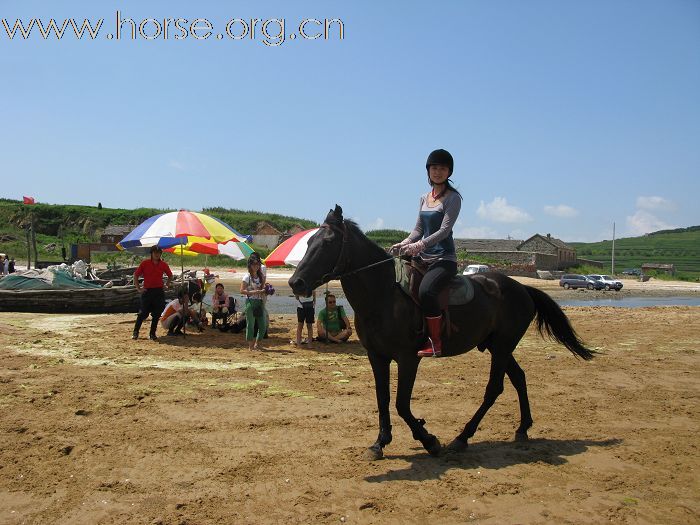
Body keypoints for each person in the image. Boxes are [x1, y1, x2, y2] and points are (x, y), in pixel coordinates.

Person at [390, 148, 462, 357]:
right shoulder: (424, 197)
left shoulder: (453, 198)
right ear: (428, 171)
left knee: (427, 291)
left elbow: (444, 230)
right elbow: (418, 229)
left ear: (449, 172)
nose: (437, 172)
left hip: (443, 259)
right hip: (422, 258)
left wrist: (420, 245)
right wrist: (405, 243)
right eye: (434, 168)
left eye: (442, 168)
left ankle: (436, 342)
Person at [132, 246, 173, 341]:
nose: (157, 254)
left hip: (158, 291)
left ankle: (152, 333)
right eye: (155, 252)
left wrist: (166, 284)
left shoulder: (163, 264)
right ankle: (135, 332)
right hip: (147, 291)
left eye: (159, 252)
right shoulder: (145, 263)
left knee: (157, 314)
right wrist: (138, 288)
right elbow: (136, 275)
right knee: (143, 313)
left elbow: (170, 275)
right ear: (151, 253)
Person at [240, 255, 266, 350]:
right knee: (250, 324)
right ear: (250, 265)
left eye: (258, 264)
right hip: (250, 302)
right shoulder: (247, 277)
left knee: (263, 325)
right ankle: (251, 346)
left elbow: (263, 289)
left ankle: (257, 344)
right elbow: (242, 291)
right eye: (254, 264)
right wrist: (255, 292)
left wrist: (267, 290)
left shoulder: (261, 276)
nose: (256, 266)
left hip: (259, 302)